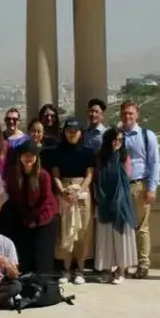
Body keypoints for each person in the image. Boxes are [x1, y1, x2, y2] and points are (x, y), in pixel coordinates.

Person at [120, 100, 160, 279]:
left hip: (139, 184)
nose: (127, 116)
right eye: (125, 113)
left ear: (137, 115)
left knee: (141, 227)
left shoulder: (146, 135)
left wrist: (152, 188)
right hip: (121, 186)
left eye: (131, 113)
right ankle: (123, 263)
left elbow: (154, 162)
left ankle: (143, 263)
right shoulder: (118, 135)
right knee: (122, 227)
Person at [51, 119, 95, 285]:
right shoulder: (57, 151)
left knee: (82, 230)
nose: (72, 134)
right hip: (64, 192)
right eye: (69, 131)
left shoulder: (88, 152)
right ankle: (66, 269)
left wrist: (79, 191)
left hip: (82, 193)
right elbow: (55, 175)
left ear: (80, 133)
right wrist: (63, 191)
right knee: (65, 231)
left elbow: (89, 175)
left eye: (75, 131)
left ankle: (81, 270)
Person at [5, 142, 58, 276]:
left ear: (36, 157)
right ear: (20, 157)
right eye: (25, 155)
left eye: (31, 156)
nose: (28, 159)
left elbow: (44, 200)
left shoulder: (43, 175)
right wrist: (24, 216)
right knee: (25, 253)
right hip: (24, 216)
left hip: (44, 217)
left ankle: (42, 281)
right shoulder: (14, 174)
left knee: (42, 254)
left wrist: (32, 217)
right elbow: (13, 195)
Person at [93, 128, 138, 284]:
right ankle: (107, 270)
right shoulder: (100, 158)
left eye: (120, 140)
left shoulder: (124, 157)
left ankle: (121, 271)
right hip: (104, 199)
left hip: (121, 201)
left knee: (121, 236)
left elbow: (126, 176)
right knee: (105, 236)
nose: (117, 142)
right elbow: (97, 177)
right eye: (114, 139)